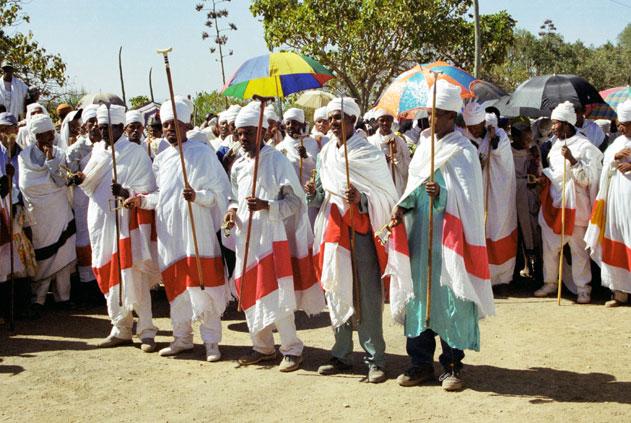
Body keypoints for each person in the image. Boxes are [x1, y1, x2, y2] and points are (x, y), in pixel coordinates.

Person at [390, 80, 495, 391]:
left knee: (450, 296)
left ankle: (451, 366)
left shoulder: (463, 150)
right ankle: (419, 363)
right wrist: (401, 206)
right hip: (420, 238)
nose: (430, 119)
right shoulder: (423, 147)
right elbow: (412, 188)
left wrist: (444, 194)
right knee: (419, 298)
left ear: (452, 116)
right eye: (429, 113)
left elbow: (470, 199)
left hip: (450, 243)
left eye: (436, 114)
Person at [307, 97, 404, 384]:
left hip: (361, 230)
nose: (334, 122)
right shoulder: (326, 153)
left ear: (352, 119)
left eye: (340, 117)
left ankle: (375, 359)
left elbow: (386, 194)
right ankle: (341, 354)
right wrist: (313, 192)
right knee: (337, 288)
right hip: (334, 231)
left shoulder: (367, 153)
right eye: (331, 117)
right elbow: (323, 194)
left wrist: (362, 200)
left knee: (367, 295)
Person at [126, 99, 231, 361]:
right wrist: (142, 201)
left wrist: (197, 196)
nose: (170, 128)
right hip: (170, 232)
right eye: (166, 124)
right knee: (177, 284)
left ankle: (211, 342)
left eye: (176, 124)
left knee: (203, 284)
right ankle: (182, 338)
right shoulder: (161, 158)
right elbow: (160, 195)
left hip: (199, 230)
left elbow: (220, 194)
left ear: (187, 126)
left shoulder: (202, 153)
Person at [224, 102, 324, 372]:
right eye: (239, 133)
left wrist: (267, 206)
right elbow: (233, 198)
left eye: (248, 133)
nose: (243, 138)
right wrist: (232, 213)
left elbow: (296, 203)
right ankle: (262, 347)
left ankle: (292, 349)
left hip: (272, 235)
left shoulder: (277, 160)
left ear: (262, 132)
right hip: (246, 238)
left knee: (278, 291)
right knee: (250, 289)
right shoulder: (238, 166)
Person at [75, 104, 160, 351]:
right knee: (110, 274)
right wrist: (80, 180)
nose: (103, 132)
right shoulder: (98, 151)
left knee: (134, 274)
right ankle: (120, 327)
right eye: (100, 127)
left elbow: (150, 190)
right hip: (101, 221)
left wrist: (126, 192)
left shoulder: (135, 153)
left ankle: (146, 330)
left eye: (108, 128)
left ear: (120, 127)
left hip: (127, 223)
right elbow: (89, 185)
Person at [535, 101, 603, 304]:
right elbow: (554, 174)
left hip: (577, 206)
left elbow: (587, 180)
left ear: (566, 124)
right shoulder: (553, 146)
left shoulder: (585, 146)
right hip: (554, 203)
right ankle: (550, 282)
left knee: (578, 249)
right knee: (550, 245)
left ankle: (583, 288)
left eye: (556, 123)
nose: (553, 127)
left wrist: (573, 160)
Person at [18, 114, 77, 311]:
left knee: (62, 251)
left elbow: (61, 181)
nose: (51, 137)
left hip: (58, 211)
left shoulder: (59, 153)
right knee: (42, 255)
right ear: (37, 136)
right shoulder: (24, 157)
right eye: (46, 134)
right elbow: (27, 185)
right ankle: (39, 299)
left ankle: (64, 297)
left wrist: (50, 160)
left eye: (52, 133)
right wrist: (46, 183)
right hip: (38, 214)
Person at [463, 103, 517, 288]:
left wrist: (492, 142)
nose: (474, 131)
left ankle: (501, 278)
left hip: (498, 193)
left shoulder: (499, 135)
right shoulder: (465, 138)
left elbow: (502, 157)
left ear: (483, 124)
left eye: (477, 127)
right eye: (470, 128)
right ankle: (480, 275)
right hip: (477, 192)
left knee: (498, 227)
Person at [585, 100, 631, 307]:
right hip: (616, 203)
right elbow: (605, 167)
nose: (620, 127)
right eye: (619, 123)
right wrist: (614, 159)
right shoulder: (617, 143)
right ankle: (620, 292)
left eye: (625, 124)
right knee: (616, 239)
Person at [66, 104, 100, 304]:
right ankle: (88, 285)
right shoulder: (76, 149)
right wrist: (77, 177)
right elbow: (67, 177)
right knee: (85, 238)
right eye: (91, 122)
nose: (95, 126)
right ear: (85, 125)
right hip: (83, 201)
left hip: (102, 198)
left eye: (98, 121)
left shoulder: (107, 145)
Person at [510, 121, 542, 278]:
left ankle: (533, 264)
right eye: (525, 140)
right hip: (512, 196)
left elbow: (539, 172)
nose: (528, 143)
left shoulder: (532, 152)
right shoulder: (506, 152)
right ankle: (516, 267)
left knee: (531, 229)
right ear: (515, 138)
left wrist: (535, 159)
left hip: (528, 196)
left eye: (530, 139)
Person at [367, 109, 411, 197]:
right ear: (377, 121)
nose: (385, 123)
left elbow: (406, 169)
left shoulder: (400, 141)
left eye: (388, 120)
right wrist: (380, 161)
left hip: (397, 185)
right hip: (378, 186)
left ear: (392, 121)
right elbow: (367, 166)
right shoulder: (370, 142)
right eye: (382, 120)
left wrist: (396, 154)